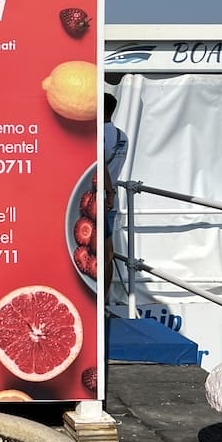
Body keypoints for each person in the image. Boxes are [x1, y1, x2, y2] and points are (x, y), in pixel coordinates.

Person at [103, 90, 128, 301]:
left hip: (99, 197)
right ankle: (105, 297)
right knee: (108, 253)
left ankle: (97, 298)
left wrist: (107, 191)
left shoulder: (97, 136)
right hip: (113, 198)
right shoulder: (122, 136)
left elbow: (98, 165)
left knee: (95, 249)